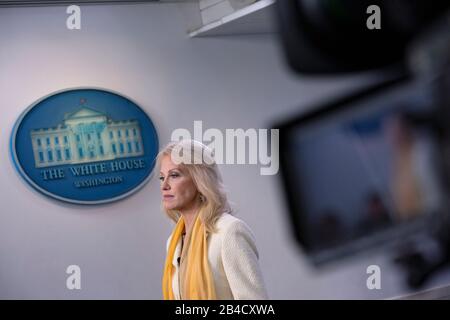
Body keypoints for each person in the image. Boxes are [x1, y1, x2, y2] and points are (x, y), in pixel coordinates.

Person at [158, 139, 268, 300]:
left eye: (174, 175)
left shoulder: (229, 232)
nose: (164, 185)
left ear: (199, 179)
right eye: (162, 178)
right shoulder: (173, 243)